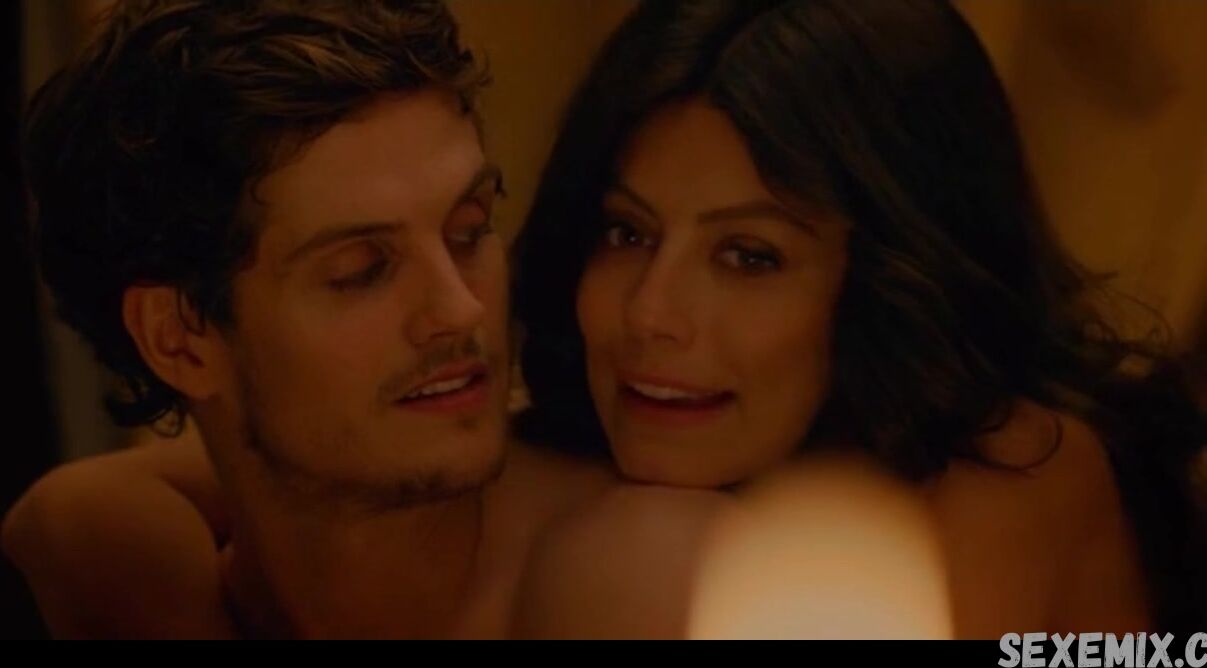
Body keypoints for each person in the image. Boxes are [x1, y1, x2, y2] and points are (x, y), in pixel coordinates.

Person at [508, 0, 1207, 638]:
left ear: (894, 277)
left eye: (749, 257)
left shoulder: (1010, 464)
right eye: (626, 233)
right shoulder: (538, 473)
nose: (649, 314)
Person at [2, 0, 612, 638]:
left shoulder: (633, 577)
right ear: (179, 339)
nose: (462, 308)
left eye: (469, 229)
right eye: (361, 269)